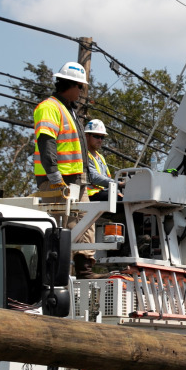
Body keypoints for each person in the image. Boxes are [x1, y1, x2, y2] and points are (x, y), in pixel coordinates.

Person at [33, 62, 96, 278]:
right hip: (59, 180)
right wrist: (55, 176)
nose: (81, 92)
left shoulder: (68, 110)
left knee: (86, 220)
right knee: (63, 227)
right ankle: (54, 276)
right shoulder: (49, 107)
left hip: (76, 179)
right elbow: (46, 141)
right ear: (71, 85)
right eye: (81, 87)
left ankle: (84, 270)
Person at [82, 119, 120, 201]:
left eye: (102, 137)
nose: (100, 140)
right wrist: (118, 184)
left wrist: (117, 191)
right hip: (90, 195)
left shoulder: (101, 157)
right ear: (86, 136)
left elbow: (106, 178)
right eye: (96, 136)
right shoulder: (83, 155)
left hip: (103, 192)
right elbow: (94, 177)